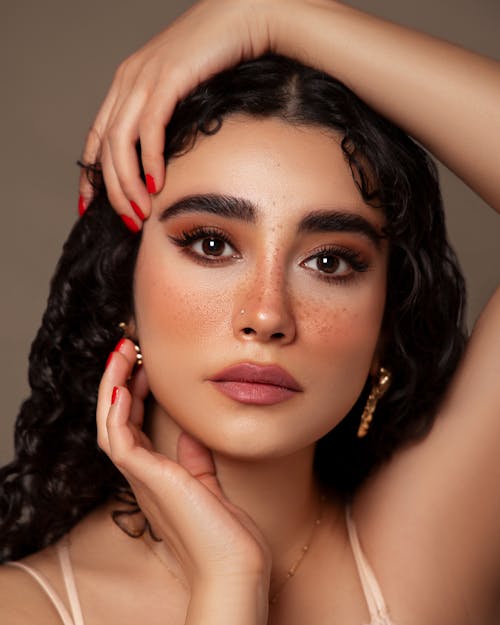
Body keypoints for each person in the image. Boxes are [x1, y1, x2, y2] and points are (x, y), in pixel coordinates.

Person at [1, 1, 499, 624]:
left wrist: (271, 14)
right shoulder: (24, 609)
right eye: (212, 244)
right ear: (123, 287)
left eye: (329, 262)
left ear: (385, 323)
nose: (266, 316)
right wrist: (228, 584)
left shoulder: (425, 563)